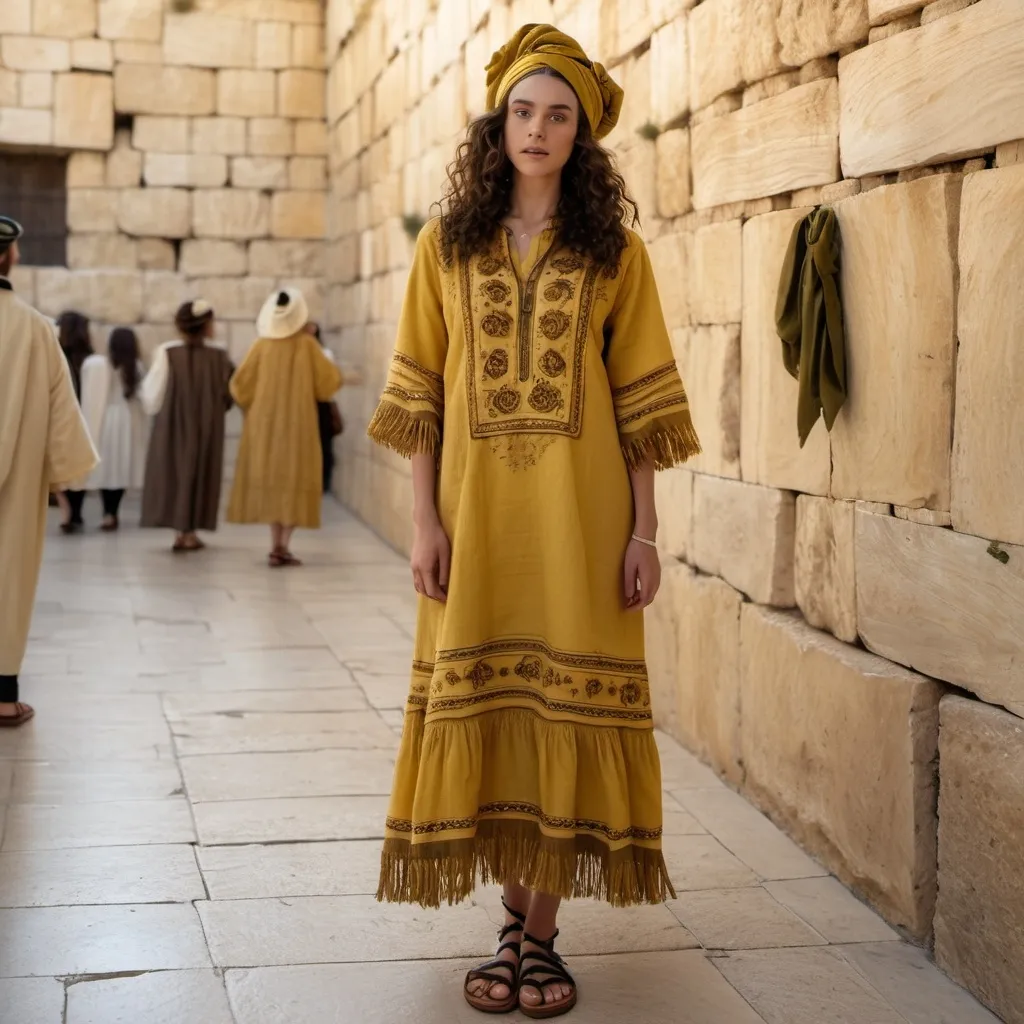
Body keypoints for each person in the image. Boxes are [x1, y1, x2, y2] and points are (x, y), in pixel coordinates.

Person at [366, 25, 701, 1019]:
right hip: (476, 523)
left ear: (580, 135)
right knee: (498, 711)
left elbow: (641, 407)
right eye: (523, 110)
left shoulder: (613, 252)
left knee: (566, 707)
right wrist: (423, 519)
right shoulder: (447, 244)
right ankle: (511, 923)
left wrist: (643, 533)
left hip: (582, 527)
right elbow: (419, 393)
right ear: (497, 121)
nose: (539, 129)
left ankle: (537, 933)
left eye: (559, 115)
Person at [0, 216, 98, 727]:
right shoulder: (37, 328)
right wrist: (65, 474)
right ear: (9, 255)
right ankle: (2, 696)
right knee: (8, 581)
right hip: (15, 482)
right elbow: (63, 415)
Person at [227, 290, 343, 566]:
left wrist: (254, 407)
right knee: (296, 480)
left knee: (272, 481)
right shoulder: (307, 346)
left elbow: (239, 387)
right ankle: (283, 545)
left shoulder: (260, 345)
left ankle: (275, 544)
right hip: (299, 426)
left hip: (263, 427)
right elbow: (329, 383)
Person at [140, 300, 233, 552]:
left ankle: (181, 531)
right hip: (206, 425)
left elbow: (151, 392)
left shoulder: (167, 352)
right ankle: (189, 531)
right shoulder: (219, 356)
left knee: (176, 471)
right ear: (205, 325)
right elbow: (229, 393)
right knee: (200, 471)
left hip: (173, 424)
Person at [78, 327, 149, 530]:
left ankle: (107, 513)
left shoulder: (99, 365)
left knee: (107, 467)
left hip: (106, 420)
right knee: (120, 468)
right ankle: (113, 512)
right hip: (125, 421)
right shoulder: (135, 367)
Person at [55, 310, 94, 533]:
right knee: (78, 467)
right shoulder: (89, 357)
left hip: (63, 417)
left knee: (60, 466)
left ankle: (66, 512)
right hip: (83, 418)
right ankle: (75, 513)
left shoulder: (58, 354)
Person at [306, 321, 342, 494]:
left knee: (324, 444)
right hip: (305, 403)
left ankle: (322, 482)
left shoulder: (324, 353)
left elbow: (332, 380)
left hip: (322, 403)